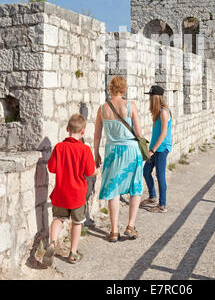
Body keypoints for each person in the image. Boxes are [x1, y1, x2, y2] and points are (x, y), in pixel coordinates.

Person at [43, 114, 100, 266]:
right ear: (83, 131)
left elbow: (52, 168)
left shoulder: (59, 147)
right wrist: (97, 171)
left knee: (58, 219)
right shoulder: (85, 149)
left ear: (67, 129)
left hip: (61, 192)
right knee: (77, 222)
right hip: (77, 195)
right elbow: (89, 172)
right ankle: (73, 253)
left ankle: (52, 243)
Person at [94, 75, 143, 242]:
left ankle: (114, 230)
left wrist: (96, 153)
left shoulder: (102, 109)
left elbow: (97, 135)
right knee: (135, 187)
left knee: (113, 189)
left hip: (112, 151)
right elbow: (139, 132)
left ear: (110, 88)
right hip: (131, 149)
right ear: (124, 89)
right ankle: (130, 225)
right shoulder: (130, 106)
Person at [140, 85, 172, 213]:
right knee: (146, 171)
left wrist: (152, 151)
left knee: (160, 175)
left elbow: (163, 134)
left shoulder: (164, 112)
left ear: (155, 98)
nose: (149, 99)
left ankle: (162, 205)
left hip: (161, 149)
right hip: (154, 148)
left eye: (150, 96)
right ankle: (152, 197)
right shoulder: (157, 112)